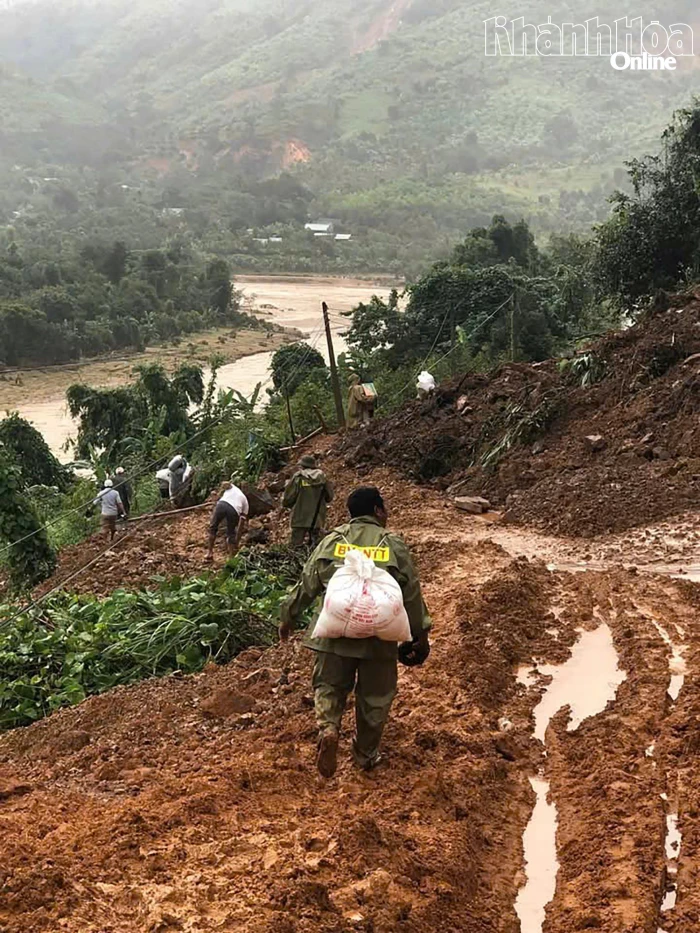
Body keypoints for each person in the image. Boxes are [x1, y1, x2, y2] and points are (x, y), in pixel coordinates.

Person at [279, 486, 432, 778]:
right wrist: (419, 633)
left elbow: (307, 583)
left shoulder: (332, 541)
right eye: (384, 508)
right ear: (376, 510)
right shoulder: (392, 544)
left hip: (333, 635)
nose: (387, 513)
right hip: (379, 637)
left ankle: (328, 728)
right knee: (376, 697)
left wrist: (288, 617)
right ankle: (365, 755)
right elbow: (410, 592)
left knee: (328, 686)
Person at [282, 454, 335, 547]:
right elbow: (329, 497)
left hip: (300, 517)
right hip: (317, 518)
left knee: (295, 547)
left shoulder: (298, 477)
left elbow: (288, 498)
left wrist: (287, 504)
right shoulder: (322, 477)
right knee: (317, 547)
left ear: (302, 466)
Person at [206, 479, 249, 560]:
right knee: (231, 533)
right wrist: (237, 541)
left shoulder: (234, 487)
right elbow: (241, 525)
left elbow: (225, 483)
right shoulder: (246, 502)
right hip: (234, 510)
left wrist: (219, 493)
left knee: (213, 528)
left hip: (221, 504)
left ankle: (209, 553)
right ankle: (231, 558)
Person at [93, 478, 125, 543]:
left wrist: (89, 510)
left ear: (104, 485)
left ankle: (104, 542)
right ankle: (112, 539)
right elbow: (119, 503)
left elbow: (94, 502)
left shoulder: (101, 493)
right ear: (112, 485)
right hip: (113, 514)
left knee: (104, 528)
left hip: (105, 513)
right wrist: (124, 512)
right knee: (112, 527)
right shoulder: (115, 493)